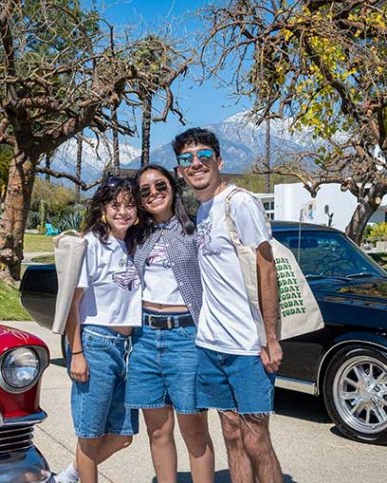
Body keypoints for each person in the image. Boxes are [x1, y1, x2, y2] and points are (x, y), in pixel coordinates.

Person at [173, 128, 283, 483]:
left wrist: (271, 337)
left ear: (219, 161)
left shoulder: (240, 203)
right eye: (187, 159)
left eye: (204, 156)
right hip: (211, 344)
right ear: (180, 171)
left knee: (256, 438)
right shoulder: (202, 211)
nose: (196, 164)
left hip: (248, 347)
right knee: (231, 434)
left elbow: (267, 268)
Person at [126, 164, 215, 483]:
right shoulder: (136, 235)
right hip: (145, 339)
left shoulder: (195, 230)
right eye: (145, 190)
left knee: (194, 430)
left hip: (186, 338)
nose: (153, 194)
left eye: (160, 186)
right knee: (157, 431)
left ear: (173, 189)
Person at [57, 176, 142, 483]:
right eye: (115, 205)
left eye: (130, 205)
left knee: (122, 435)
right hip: (96, 344)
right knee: (90, 436)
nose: (123, 211)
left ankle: (68, 476)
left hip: (128, 349)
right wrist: (76, 352)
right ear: (103, 209)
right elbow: (71, 304)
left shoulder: (132, 245)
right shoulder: (91, 244)